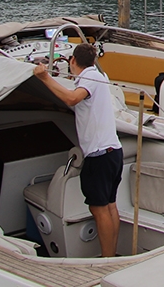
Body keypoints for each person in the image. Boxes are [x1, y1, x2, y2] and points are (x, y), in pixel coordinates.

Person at [34, 44, 122, 256]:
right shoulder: (100, 75)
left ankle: (107, 259)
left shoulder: (89, 78)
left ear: (73, 61)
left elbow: (72, 98)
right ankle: (110, 255)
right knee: (110, 205)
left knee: (99, 209)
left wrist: (45, 78)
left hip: (99, 154)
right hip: (113, 151)